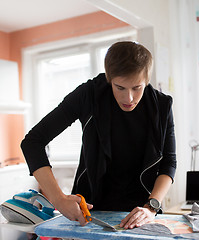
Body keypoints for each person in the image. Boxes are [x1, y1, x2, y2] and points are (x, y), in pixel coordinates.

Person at [21, 41, 176, 229]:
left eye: (137, 88)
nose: (129, 98)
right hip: (89, 212)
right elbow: (33, 142)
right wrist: (58, 199)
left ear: (147, 79)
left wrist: (151, 207)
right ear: (109, 78)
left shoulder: (162, 106)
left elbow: (168, 163)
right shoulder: (88, 95)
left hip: (142, 212)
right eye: (120, 87)